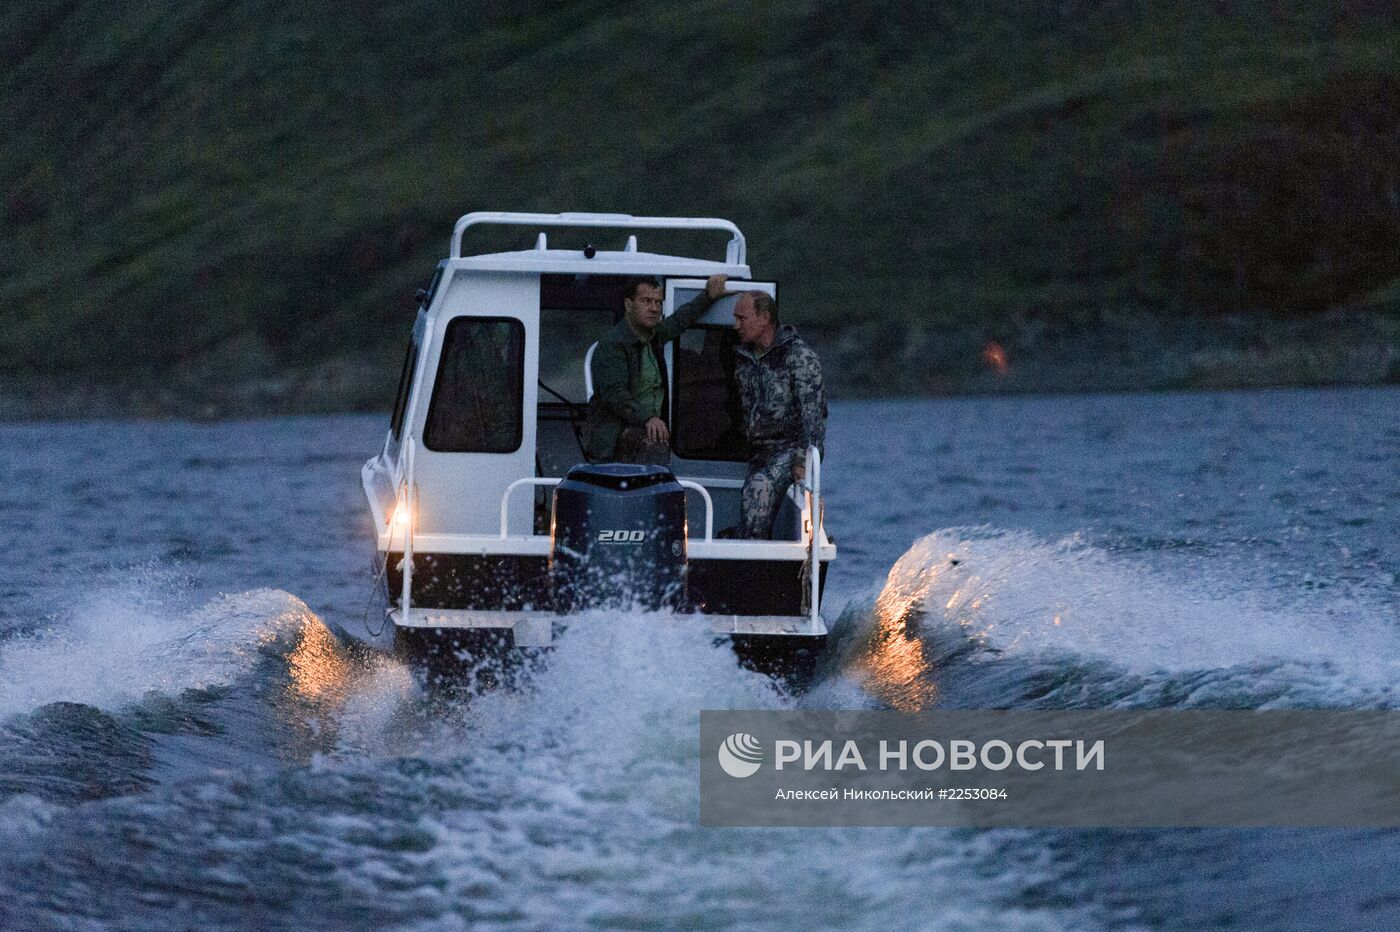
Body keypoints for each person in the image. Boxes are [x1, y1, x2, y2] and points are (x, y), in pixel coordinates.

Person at [583, 273, 728, 463]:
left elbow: (681, 320)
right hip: (614, 434)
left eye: (658, 303)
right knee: (656, 442)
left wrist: (709, 296)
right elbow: (615, 394)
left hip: (645, 426)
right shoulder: (612, 345)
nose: (654, 308)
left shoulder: (654, 336)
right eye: (646, 301)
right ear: (628, 305)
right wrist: (649, 419)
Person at [731, 291, 827, 539]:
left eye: (742, 318)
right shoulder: (742, 357)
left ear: (764, 318)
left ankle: (753, 562)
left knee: (759, 489)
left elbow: (813, 415)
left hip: (788, 448)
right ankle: (746, 551)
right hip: (756, 450)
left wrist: (801, 461)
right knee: (750, 506)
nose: (736, 325)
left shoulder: (799, 357)